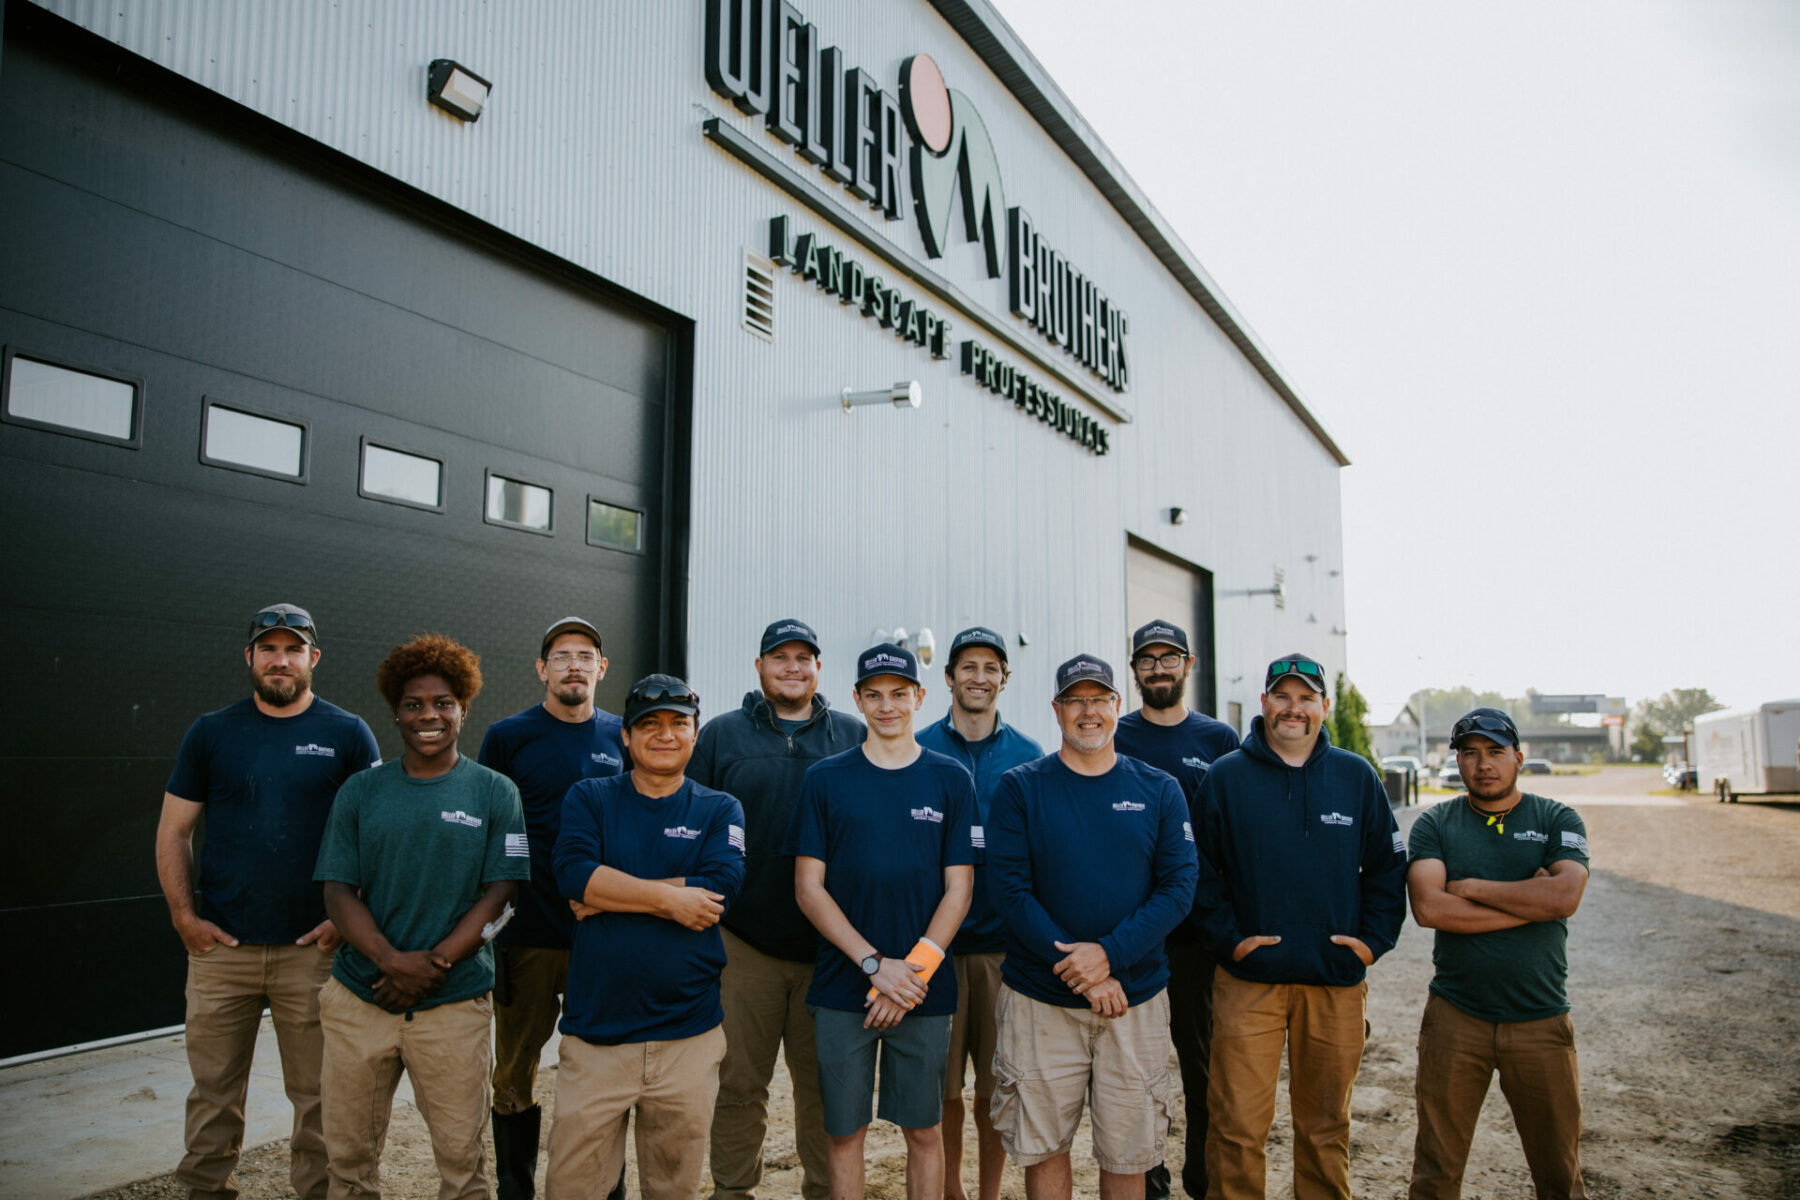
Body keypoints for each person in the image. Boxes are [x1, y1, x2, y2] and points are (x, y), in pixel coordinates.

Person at [155, 603, 381, 1200]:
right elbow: (174, 830)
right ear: (250, 657)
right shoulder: (211, 732)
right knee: (213, 1095)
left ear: (314, 658)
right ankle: (206, 1191)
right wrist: (185, 918)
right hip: (221, 951)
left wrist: (342, 919)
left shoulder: (348, 733)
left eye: (293, 649)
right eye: (268, 648)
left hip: (313, 953)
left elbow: (375, 834)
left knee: (320, 1098)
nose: (280, 660)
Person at [313, 633, 527, 1200]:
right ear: (396, 712)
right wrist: (391, 962)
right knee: (350, 1160)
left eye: (442, 704)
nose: (428, 716)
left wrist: (433, 965)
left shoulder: (495, 791)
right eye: (414, 705)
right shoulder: (361, 791)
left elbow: (502, 893)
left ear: (463, 708)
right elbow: (337, 891)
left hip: (453, 1005)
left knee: (462, 1161)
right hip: (362, 996)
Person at [1192, 652, 1408, 1200]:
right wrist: (1232, 941)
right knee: (1238, 1127)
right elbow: (1200, 874)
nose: (1294, 709)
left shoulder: (1357, 777)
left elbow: (1387, 867)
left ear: (1323, 706)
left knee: (1326, 1128)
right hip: (1248, 982)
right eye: (1282, 697)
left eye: (1306, 698)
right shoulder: (1225, 778)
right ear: (1264, 703)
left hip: (1334, 982)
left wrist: (1370, 944)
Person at [986, 653, 1198, 1200]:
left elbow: (1178, 887)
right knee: (1043, 1146)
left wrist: (1109, 956)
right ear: (1057, 709)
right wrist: (1084, 972)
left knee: (1128, 1149)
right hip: (1041, 1001)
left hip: (1134, 1000)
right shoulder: (1020, 788)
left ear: (1117, 706)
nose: (1088, 712)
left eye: (1099, 699)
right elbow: (1009, 890)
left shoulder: (1159, 789)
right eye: (1076, 700)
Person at [785, 643, 976, 1200]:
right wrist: (873, 965)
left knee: (924, 1128)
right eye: (874, 695)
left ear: (920, 696)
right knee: (844, 1132)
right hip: (846, 985)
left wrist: (909, 973)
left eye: (899, 694)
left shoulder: (950, 778)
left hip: (922, 988)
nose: (886, 705)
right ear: (857, 699)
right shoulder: (826, 779)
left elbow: (959, 890)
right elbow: (807, 888)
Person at [545, 675, 747, 1200]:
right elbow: (572, 874)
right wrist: (673, 900)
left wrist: (611, 891)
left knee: (672, 1189)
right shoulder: (589, 797)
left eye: (679, 723)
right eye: (649, 725)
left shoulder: (720, 808)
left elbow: (721, 887)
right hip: (597, 1037)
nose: (665, 735)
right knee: (573, 1188)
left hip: (688, 1037)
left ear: (695, 735)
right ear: (626, 738)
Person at [690, 619, 865, 1200]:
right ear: (759, 666)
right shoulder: (720, 736)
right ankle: (733, 1190)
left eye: (803, 657)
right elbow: (692, 824)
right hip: (745, 944)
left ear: (819, 667)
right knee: (739, 1083)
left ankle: (823, 1188)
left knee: (823, 1088)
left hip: (831, 948)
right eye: (779, 657)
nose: (792, 667)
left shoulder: (852, 735)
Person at [1405, 707, 1591, 1200]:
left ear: (1518, 758)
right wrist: (1531, 904)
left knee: (1559, 1172)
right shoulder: (1436, 823)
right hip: (1455, 1019)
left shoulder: (1556, 817)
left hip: (1540, 1020)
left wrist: (1470, 888)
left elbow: (1565, 896)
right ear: (1459, 763)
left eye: (1494, 752)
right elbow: (1429, 907)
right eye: (1470, 754)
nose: (1483, 764)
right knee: (1436, 1173)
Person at [478, 617, 626, 1200]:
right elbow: (493, 831)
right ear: (542, 669)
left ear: (601, 668)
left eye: (585, 655)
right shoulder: (508, 736)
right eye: (561, 655)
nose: (573, 665)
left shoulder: (623, 735)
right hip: (528, 933)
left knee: (607, 1070)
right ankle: (515, 1187)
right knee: (515, 1071)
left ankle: (605, 1187)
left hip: (604, 936)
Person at [915, 626, 1044, 1200]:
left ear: (1004, 680)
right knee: (942, 1090)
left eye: (991, 667)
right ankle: (950, 1190)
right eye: (968, 666)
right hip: (934, 948)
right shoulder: (918, 748)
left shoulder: (1029, 757)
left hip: (1001, 949)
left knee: (995, 1088)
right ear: (948, 677)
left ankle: (989, 1193)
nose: (979, 676)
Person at [1113, 620, 1240, 1200]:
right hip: (1134, 932)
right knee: (1137, 1068)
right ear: (1134, 669)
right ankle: (1150, 1181)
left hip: (1198, 935)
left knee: (1202, 1066)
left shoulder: (1219, 740)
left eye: (1170, 658)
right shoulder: (1115, 735)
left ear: (1189, 666)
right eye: (1148, 659)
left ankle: (1204, 1179)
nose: (1158, 668)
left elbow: (1238, 835)